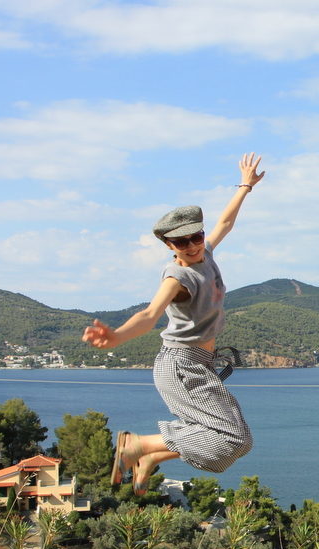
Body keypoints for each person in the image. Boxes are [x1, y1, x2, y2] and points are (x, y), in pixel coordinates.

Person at [81, 153, 264, 495]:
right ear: (168, 245)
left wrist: (244, 187)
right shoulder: (177, 276)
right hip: (180, 365)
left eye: (196, 237)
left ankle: (150, 457)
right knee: (232, 438)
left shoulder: (204, 254)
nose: (193, 246)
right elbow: (149, 315)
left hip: (200, 364)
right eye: (182, 242)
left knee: (238, 441)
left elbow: (224, 223)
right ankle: (137, 445)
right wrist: (117, 335)